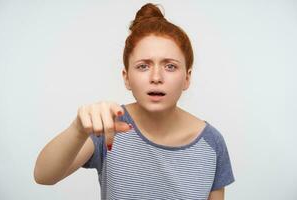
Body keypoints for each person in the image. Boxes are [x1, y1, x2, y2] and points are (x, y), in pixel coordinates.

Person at [34, 3, 235, 200]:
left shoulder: (212, 143)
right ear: (126, 77)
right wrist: (78, 129)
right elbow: (44, 176)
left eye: (170, 66)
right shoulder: (108, 127)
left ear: (187, 78)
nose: (156, 77)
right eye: (143, 66)